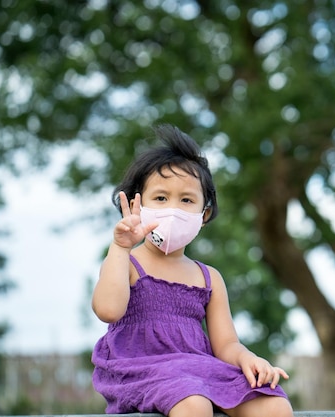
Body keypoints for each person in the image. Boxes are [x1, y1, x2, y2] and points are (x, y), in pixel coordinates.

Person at [91, 124, 293, 417]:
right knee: (193, 402)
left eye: (186, 200)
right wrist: (120, 247)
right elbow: (107, 310)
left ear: (204, 213)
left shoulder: (208, 277)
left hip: (197, 371)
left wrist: (248, 358)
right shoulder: (127, 262)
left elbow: (226, 344)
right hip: (140, 372)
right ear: (137, 204)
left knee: (273, 403)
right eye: (160, 198)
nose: (173, 209)